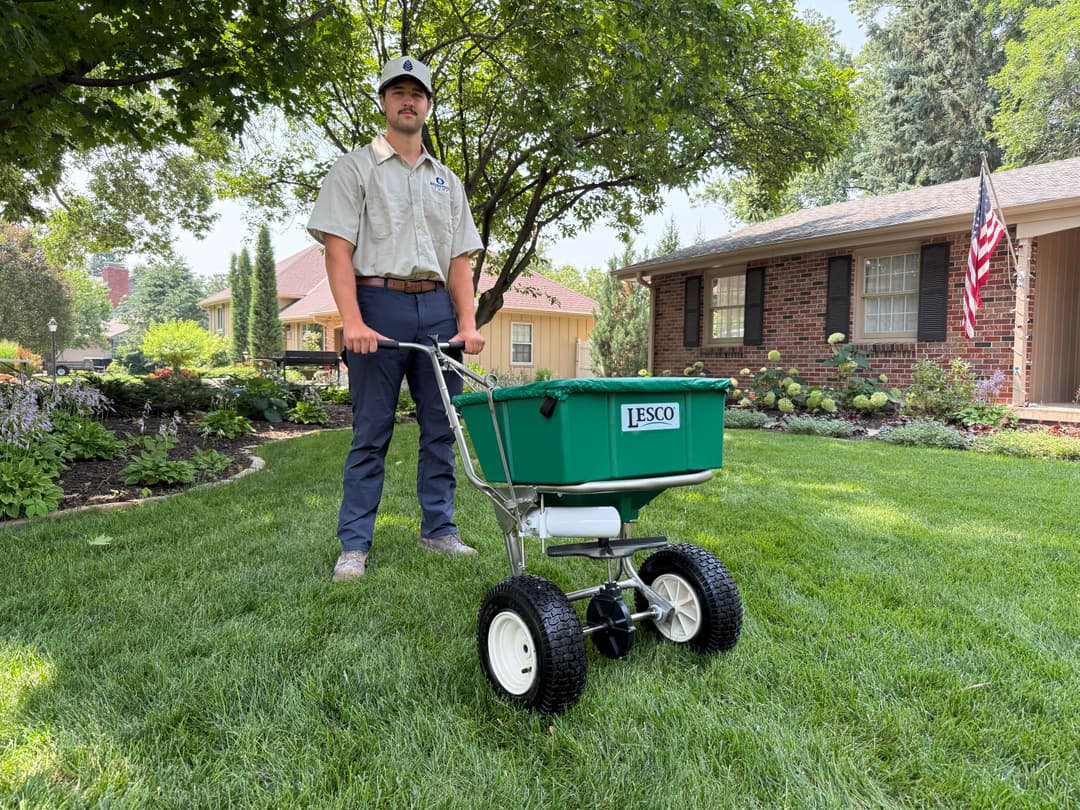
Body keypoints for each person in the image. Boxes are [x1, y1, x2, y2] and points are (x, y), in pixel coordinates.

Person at [306, 55, 485, 582]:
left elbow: (460, 261)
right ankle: (354, 545)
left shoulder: (448, 182)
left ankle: (439, 530)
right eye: (397, 91)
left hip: (436, 308)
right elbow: (337, 252)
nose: (408, 99)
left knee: (441, 427)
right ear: (384, 102)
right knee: (371, 430)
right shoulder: (354, 169)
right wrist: (353, 322)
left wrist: (468, 323)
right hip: (376, 305)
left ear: (428, 105)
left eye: (418, 93)